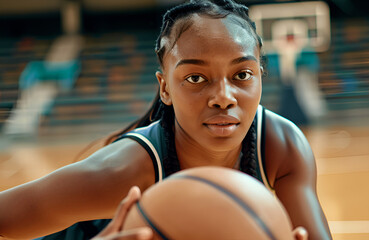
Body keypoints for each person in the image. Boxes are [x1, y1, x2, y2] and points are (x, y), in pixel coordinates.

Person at [0, 0, 332, 239]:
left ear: (261, 76)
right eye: (196, 78)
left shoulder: (281, 146)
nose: (223, 96)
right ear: (165, 88)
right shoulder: (125, 171)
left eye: (242, 74)